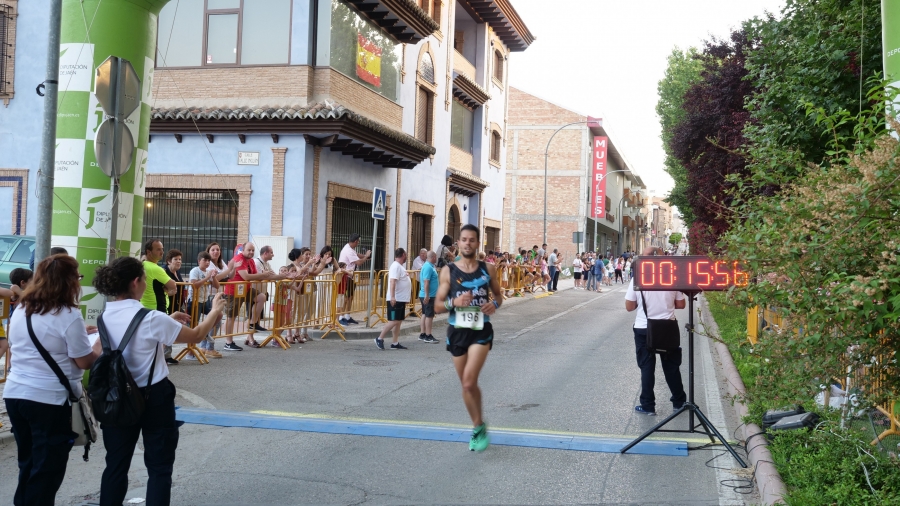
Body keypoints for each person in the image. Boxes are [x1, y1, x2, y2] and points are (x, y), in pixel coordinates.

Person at [92, 256, 226, 506]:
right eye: (144, 279)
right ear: (135, 282)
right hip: (155, 396)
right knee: (159, 468)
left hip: (117, 397)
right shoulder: (151, 318)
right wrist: (215, 312)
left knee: (115, 466)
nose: (146, 282)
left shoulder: (104, 318)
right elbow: (196, 335)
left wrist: (169, 320)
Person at [3, 254, 100, 505]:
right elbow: (85, 361)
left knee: (29, 463)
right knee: (47, 470)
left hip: (15, 394)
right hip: (49, 400)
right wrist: (99, 345)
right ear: (69, 282)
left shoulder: (22, 308)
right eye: (78, 277)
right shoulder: (68, 314)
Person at [435, 225, 503, 452]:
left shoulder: (488, 269)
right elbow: (436, 306)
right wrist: (454, 303)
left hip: (481, 330)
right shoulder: (448, 271)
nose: (467, 243)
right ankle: (479, 425)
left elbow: (499, 296)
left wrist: (493, 304)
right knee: (466, 386)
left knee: (468, 381)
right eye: (463, 239)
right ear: (459, 242)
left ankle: (477, 428)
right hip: (457, 331)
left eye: (472, 240)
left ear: (477, 243)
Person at [624, 246, 687, 416]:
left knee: (647, 367)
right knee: (671, 367)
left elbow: (629, 306)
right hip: (668, 327)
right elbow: (681, 304)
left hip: (644, 328)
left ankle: (648, 406)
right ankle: (679, 402)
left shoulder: (638, 278)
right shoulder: (672, 277)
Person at [224, 242, 279, 349]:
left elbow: (255, 276)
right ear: (243, 250)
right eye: (249, 250)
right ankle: (228, 342)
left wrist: (272, 275)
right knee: (231, 317)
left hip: (246, 289)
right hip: (233, 291)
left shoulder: (251, 261)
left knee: (262, 297)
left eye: (253, 250)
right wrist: (263, 274)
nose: (251, 252)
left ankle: (253, 323)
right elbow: (246, 277)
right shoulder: (239, 259)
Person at [141, 240, 178, 365]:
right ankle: (153, 368)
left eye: (162, 248)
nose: (162, 252)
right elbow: (173, 286)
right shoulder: (156, 268)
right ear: (148, 252)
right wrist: (166, 288)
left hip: (143, 308)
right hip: (156, 309)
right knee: (158, 343)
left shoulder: (141, 265)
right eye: (158, 249)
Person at [375, 248, 410, 350]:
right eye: (406, 255)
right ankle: (380, 338)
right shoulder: (395, 266)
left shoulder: (399, 267)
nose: (406, 257)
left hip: (400, 299)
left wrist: (405, 297)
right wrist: (393, 297)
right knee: (394, 320)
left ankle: (395, 342)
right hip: (396, 299)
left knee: (398, 321)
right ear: (403, 255)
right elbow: (392, 281)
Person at [187, 251, 221, 358]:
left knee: (218, 315)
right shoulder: (195, 271)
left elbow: (217, 286)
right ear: (199, 261)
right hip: (194, 300)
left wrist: (213, 277)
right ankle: (190, 353)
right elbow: (194, 285)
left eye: (208, 261)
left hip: (205, 300)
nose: (207, 263)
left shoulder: (208, 272)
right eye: (204, 260)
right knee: (193, 325)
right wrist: (206, 278)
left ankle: (205, 332)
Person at [338, 234, 371, 326]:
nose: (358, 243)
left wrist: (366, 256)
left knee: (350, 297)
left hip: (352, 276)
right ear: (355, 241)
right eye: (358, 241)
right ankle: (341, 317)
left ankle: (347, 316)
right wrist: (366, 256)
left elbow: (357, 255)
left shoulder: (350, 248)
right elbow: (359, 262)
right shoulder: (348, 250)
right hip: (346, 276)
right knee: (345, 297)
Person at [417, 251, 439, 344]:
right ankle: (428, 335)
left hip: (427, 295)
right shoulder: (428, 267)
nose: (436, 259)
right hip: (428, 295)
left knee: (425, 314)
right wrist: (427, 295)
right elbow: (426, 282)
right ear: (433, 257)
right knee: (429, 315)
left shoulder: (429, 266)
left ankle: (423, 334)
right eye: (436, 257)